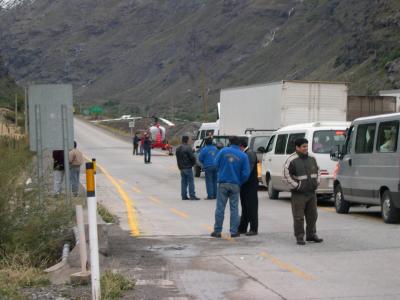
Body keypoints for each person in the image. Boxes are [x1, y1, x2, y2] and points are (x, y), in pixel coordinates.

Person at [283, 137, 323, 245]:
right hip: (298, 194)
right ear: (297, 147)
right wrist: (297, 186)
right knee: (299, 217)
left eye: (306, 146)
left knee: (313, 215)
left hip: (311, 193)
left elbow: (318, 171)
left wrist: (317, 182)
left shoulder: (312, 158)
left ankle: (311, 235)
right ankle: (300, 236)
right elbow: (286, 176)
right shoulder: (291, 160)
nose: (306, 148)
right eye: (303, 147)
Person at [211, 136, 250, 238]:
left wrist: (221, 171)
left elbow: (215, 164)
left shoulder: (223, 151)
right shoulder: (243, 155)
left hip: (223, 183)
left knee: (220, 208)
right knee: (234, 209)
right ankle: (233, 231)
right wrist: (239, 182)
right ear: (239, 144)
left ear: (229, 142)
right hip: (235, 184)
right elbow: (246, 173)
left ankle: (217, 231)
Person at [238, 137, 259, 236]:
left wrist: (240, 180)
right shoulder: (245, 153)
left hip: (250, 185)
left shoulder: (250, 154)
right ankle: (242, 227)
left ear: (241, 146)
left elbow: (248, 171)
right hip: (245, 185)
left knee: (251, 207)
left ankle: (253, 229)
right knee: (245, 207)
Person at [176, 135, 200, 200]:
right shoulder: (188, 147)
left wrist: (179, 166)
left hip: (181, 167)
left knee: (183, 182)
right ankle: (192, 196)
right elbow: (192, 157)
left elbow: (178, 158)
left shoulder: (178, 148)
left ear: (182, 140)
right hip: (188, 167)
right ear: (187, 140)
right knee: (191, 182)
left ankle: (184, 196)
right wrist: (193, 164)